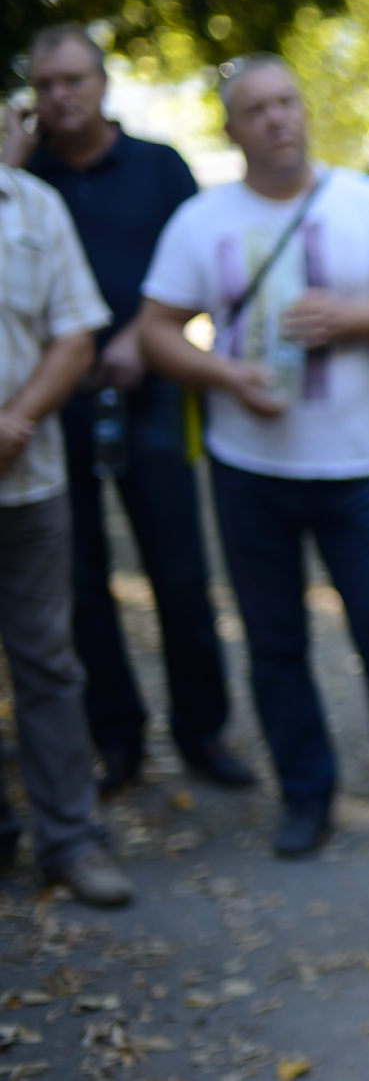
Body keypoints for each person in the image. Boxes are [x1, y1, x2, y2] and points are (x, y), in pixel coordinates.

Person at [135, 54, 369, 860]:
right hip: (246, 465)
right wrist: (224, 374)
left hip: (356, 467)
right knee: (275, 642)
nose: (277, 119)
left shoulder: (365, 202)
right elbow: (156, 329)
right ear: (232, 129)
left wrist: (351, 318)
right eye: (256, 109)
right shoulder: (203, 221)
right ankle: (306, 799)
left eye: (287, 102)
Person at [2, 26, 251, 795]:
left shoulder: (158, 166)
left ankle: (202, 730)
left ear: (104, 83)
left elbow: (200, 273)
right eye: (47, 85)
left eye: (75, 79)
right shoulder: (25, 179)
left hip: (151, 396)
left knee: (179, 570)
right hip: (50, 408)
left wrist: (144, 340)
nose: (62, 96)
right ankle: (117, 737)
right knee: (78, 583)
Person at [0, 162, 133, 906]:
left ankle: (70, 841)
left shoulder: (33, 205)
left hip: (29, 479)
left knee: (48, 662)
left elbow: (77, 334)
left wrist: (15, 422)